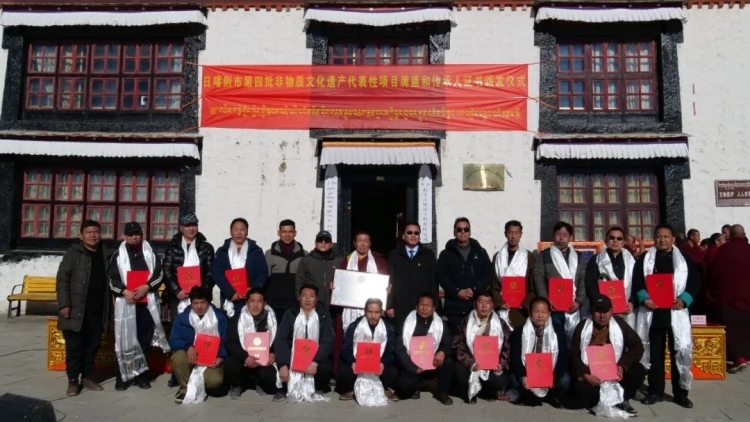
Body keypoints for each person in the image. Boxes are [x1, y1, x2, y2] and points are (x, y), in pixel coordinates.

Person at [631, 223, 700, 408]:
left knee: (679, 351)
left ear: (673, 239)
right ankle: (656, 391)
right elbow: (637, 281)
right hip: (653, 313)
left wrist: (684, 299)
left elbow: (695, 282)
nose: (662, 240)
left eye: (666, 236)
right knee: (655, 354)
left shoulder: (685, 259)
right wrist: (644, 298)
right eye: (658, 236)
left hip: (676, 311)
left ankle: (680, 393)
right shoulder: (645, 259)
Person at [109, 221, 170, 391]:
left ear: (142, 235)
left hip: (146, 303)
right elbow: (112, 279)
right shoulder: (117, 255)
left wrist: (147, 286)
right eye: (130, 234)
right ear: (124, 236)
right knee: (124, 339)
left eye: (137, 234)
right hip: (126, 303)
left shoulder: (151, 253)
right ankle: (122, 376)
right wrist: (124, 291)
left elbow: (159, 275)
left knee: (144, 340)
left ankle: (141, 376)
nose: (134, 237)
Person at [56, 220, 114, 396]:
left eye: (96, 232)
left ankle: (87, 377)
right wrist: (64, 303)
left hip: (98, 309)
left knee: (92, 346)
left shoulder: (106, 253)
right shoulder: (73, 253)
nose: (93, 235)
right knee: (74, 346)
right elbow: (62, 279)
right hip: (75, 309)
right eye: (89, 232)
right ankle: (73, 381)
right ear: (81, 236)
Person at [568, 295, 645, 417]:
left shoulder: (620, 324)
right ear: (592, 311)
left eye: (605, 311)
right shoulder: (583, 327)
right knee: (580, 391)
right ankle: (600, 400)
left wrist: (622, 365)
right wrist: (585, 375)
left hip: (616, 373)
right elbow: (573, 355)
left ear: (611, 311)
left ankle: (622, 398)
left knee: (638, 370)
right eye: (598, 311)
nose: (602, 316)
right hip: (591, 374)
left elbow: (637, 347)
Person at [334, 231, 388, 375]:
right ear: (354, 243)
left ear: (370, 243)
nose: (362, 244)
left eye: (366, 241)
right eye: (359, 241)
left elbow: (384, 281)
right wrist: (336, 288)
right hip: (350, 307)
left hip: (372, 309)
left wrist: (387, 289)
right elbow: (341, 282)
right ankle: (349, 368)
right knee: (349, 337)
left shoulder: (378, 260)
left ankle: (372, 366)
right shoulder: (347, 260)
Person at [274, 284, 334, 403]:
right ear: (299, 298)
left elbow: (328, 339)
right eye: (304, 296)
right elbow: (281, 339)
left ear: (316, 299)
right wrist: (283, 364)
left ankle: (317, 387)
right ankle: (284, 389)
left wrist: (316, 362)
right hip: (293, 356)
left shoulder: (323, 314)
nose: (307, 299)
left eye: (311, 296)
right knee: (280, 368)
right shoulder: (290, 313)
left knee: (325, 367)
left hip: (315, 357)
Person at [169, 286, 227, 404]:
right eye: (195, 303)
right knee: (179, 356)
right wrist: (188, 346)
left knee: (214, 380)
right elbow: (173, 340)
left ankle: (201, 387)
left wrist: (221, 357)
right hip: (190, 358)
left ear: (208, 302)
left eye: (202, 302)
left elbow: (227, 341)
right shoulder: (182, 318)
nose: (199, 306)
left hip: (210, 361)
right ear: (191, 303)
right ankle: (185, 389)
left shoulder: (220, 319)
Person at [452, 290, 511, 404]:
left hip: (492, 366)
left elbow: (507, 347)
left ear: (492, 305)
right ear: (475, 304)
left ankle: (486, 392)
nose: (484, 306)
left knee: (501, 380)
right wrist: (471, 363)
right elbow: (458, 345)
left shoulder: (500, 324)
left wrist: (500, 364)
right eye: (480, 302)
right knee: (458, 369)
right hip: (472, 363)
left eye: (487, 302)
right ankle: (469, 391)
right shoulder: (466, 322)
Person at [508, 297, 568, 408]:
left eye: (544, 312)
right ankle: (527, 394)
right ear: (530, 313)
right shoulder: (520, 331)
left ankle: (551, 395)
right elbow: (515, 356)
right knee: (515, 381)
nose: (540, 316)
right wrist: (522, 375)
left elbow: (563, 356)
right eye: (536, 312)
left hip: (550, 372)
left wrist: (555, 376)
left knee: (565, 381)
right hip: (527, 371)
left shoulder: (558, 331)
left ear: (549, 313)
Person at [337, 298, 399, 405]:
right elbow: (346, 349)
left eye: (377, 312)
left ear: (381, 312)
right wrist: (353, 362)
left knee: (392, 372)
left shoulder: (388, 327)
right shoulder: (355, 326)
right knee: (343, 373)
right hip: (358, 364)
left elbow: (391, 351)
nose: (373, 316)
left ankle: (384, 388)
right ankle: (353, 389)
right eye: (370, 312)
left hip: (378, 365)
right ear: (365, 311)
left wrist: (382, 363)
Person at [437, 217, 493, 335]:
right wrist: (457, 291)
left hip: (475, 307)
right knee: (456, 340)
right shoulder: (446, 254)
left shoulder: (480, 252)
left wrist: (474, 289)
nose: (463, 232)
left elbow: (488, 274)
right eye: (459, 229)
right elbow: (442, 276)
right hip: (454, 308)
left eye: (466, 229)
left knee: (476, 340)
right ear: (454, 232)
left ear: (470, 232)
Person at [533, 221, 586, 344]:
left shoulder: (578, 257)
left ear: (570, 237)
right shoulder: (544, 255)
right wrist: (545, 300)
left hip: (573, 305)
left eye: (565, 235)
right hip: (552, 307)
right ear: (553, 236)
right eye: (558, 234)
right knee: (554, 340)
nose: (561, 238)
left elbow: (583, 280)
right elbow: (538, 278)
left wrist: (579, 301)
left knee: (575, 341)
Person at [395, 294, 453, 405]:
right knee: (404, 384)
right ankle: (416, 387)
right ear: (416, 307)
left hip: (433, 363)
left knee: (448, 362)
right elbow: (399, 348)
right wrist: (412, 368)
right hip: (413, 364)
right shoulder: (407, 323)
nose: (425, 308)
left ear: (434, 308)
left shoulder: (440, 324)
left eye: (428, 305)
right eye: (422, 305)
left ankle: (442, 392)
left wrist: (442, 351)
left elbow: (447, 341)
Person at [224, 287, 280, 398]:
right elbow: (230, 342)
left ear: (264, 304)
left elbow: (279, 340)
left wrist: (273, 353)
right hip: (243, 359)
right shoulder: (237, 318)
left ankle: (258, 383)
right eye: (252, 301)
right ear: (247, 303)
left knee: (270, 378)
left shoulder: (272, 319)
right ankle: (238, 385)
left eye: (259, 301)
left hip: (263, 360)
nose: (255, 305)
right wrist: (244, 357)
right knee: (230, 364)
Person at [709, 224, 750, 374]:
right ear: (743, 234)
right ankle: (745, 356)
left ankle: (739, 358)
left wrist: (715, 292)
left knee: (732, 329)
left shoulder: (724, 250)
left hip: (728, 296)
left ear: (730, 235)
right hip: (747, 296)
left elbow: (715, 272)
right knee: (745, 327)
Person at [162, 214, 215, 321]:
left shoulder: (206, 248)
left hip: (200, 299)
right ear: (181, 227)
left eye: (194, 225)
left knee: (200, 327)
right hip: (177, 297)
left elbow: (210, 272)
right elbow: (166, 270)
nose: (191, 228)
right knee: (178, 326)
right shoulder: (172, 247)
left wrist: (201, 293)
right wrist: (176, 291)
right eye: (187, 226)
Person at [387, 222, 438, 330]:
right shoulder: (394, 255)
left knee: (420, 335)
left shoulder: (428, 255)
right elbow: (389, 281)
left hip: (422, 306)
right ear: (403, 236)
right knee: (401, 334)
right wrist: (389, 305)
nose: (413, 235)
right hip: (400, 305)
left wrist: (434, 305)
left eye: (416, 233)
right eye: (409, 233)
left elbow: (433, 282)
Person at [213, 218, 268, 316]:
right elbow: (217, 273)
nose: (239, 233)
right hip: (229, 297)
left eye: (242, 230)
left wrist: (253, 289)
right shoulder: (222, 251)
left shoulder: (256, 251)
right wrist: (230, 293)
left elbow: (263, 272)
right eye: (236, 230)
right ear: (231, 232)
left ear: (247, 232)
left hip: (250, 298)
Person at [584, 227, 637, 328]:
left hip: (626, 308)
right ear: (606, 241)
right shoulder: (596, 260)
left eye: (619, 238)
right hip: (602, 310)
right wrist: (600, 302)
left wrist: (632, 302)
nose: (615, 241)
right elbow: (590, 283)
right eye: (612, 238)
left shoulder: (631, 261)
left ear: (623, 242)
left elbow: (636, 283)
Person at [491, 220, 536, 329]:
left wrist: (525, 304)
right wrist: (499, 302)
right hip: (503, 306)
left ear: (521, 234)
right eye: (510, 232)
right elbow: (494, 284)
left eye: (517, 233)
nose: (513, 236)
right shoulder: (498, 257)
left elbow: (533, 286)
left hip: (521, 309)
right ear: (505, 234)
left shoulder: (529, 257)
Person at [265, 219, 306, 324]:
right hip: (275, 303)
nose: (287, 235)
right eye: (284, 232)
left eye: (290, 232)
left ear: (295, 233)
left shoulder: (304, 255)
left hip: (295, 302)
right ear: (279, 233)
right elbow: (265, 278)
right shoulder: (269, 254)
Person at [295, 230, 343, 309]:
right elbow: (299, 282)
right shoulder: (306, 260)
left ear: (331, 244)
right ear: (315, 243)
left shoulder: (339, 261)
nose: (323, 243)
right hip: (312, 304)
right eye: (320, 240)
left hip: (333, 304)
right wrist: (300, 299)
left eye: (326, 241)